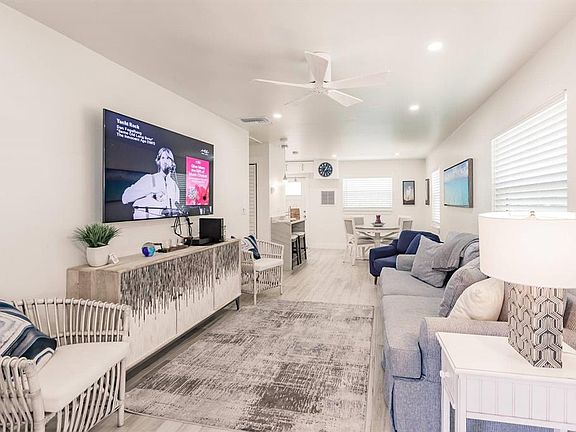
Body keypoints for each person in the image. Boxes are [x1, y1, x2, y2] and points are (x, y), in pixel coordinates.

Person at [122, 147, 181, 219]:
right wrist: (150, 191)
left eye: (168, 158)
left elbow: (175, 210)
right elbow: (125, 197)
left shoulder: (174, 186)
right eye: (162, 158)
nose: (165, 161)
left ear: (172, 163)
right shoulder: (149, 179)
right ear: (158, 161)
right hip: (146, 223)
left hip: (165, 224)